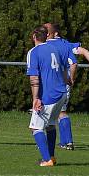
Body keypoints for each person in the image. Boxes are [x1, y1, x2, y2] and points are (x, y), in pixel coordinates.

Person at [43, 22, 89, 150]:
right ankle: (68, 142)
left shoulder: (44, 45)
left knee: (47, 113)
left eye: (47, 31)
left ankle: (45, 143)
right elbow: (80, 53)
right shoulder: (65, 45)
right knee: (62, 112)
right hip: (63, 84)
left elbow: (74, 62)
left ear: (54, 33)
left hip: (50, 84)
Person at [26, 25, 70, 167]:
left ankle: (47, 159)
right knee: (50, 125)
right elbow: (64, 71)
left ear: (34, 36)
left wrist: (35, 98)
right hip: (62, 92)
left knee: (36, 128)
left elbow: (34, 77)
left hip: (49, 96)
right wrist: (66, 83)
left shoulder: (34, 52)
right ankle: (51, 156)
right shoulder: (56, 49)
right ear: (47, 36)